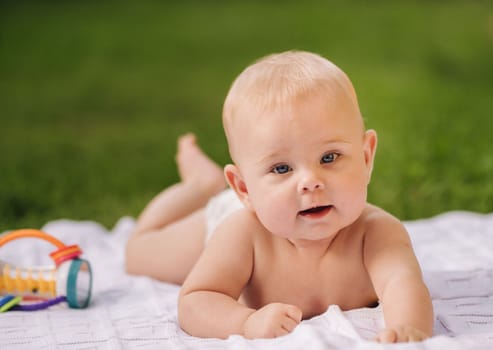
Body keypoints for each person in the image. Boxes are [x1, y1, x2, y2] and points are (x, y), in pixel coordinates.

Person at [125, 50, 434, 343]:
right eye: (282, 167)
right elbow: (196, 300)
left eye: (329, 157)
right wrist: (245, 323)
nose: (311, 182)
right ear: (244, 188)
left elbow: (402, 284)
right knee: (138, 255)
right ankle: (200, 185)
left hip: (270, 205)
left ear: (366, 158)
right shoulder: (241, 233)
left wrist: (406, 327)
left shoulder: (376, 232)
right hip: (232, 216)